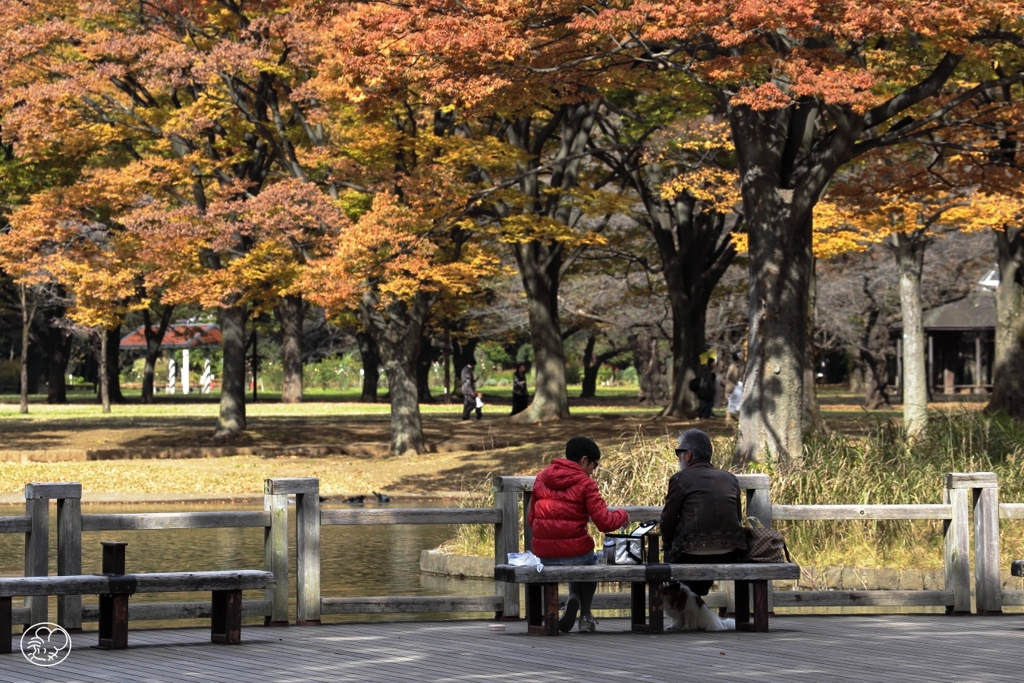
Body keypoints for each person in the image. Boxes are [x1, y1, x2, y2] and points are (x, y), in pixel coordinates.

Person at [528, 436, 628, 633]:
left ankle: (570, 602)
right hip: (575, 555)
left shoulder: (541, 478)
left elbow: (531, 519)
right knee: (590, 559)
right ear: (584, 460)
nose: (593, 470)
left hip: (543, 555)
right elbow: (605, 523)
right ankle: (585, 617)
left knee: (579, 551)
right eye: (594, 465)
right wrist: (622, 515)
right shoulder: (585, 484)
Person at [660, 429, 747, 597]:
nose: (678, 457)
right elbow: (737, 517)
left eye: (679, 452)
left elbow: (667, 520)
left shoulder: (681, 478)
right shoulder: (729, 478)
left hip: (691, 554)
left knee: (671, 555)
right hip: (729, 553)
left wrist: (667, 543)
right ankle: (698, 602)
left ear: (688, 455)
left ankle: (686, 609)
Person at [723, 352, 743, 422]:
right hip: (731, 386)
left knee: (736, 401)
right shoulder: (732, 366)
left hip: (735, 387)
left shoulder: (736, 366)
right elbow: (729, 376)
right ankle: (728, 417)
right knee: (730, 401)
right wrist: (736, 381)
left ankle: (737, 415)